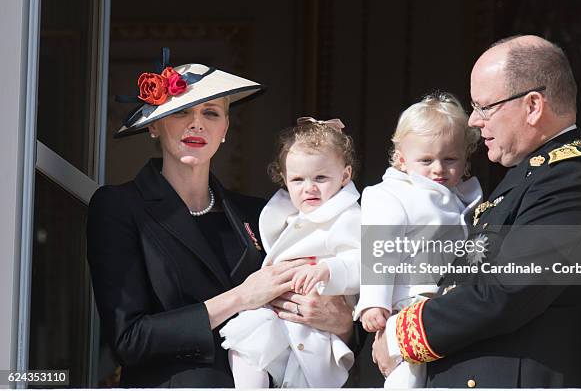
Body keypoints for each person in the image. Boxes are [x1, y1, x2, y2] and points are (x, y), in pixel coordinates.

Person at [86, 53, 355, 387]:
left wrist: (342, 322)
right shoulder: (119, 206)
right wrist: (241, 298)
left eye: (210, 113)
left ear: (225, 129)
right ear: (154, 124)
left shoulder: (264, 214)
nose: (196, 123)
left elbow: (334, 273)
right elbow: (130, 340)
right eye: (181, 111)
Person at [372, 35, 581, 388]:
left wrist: (399, 334)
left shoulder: (571, 182)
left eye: (485, 107)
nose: (473, 121)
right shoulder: (530, 176)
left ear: (532, 106)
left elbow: (505, 292)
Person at [220, 117, 361, 388]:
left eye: (321, 178)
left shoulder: (349, 217)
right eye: (298, 179)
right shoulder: (283, 214)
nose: (309, 187)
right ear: (284, 179)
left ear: (344, 176)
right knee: (245, 345)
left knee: (301, 374)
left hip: (316, 324)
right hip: (274, 312)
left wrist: (328, 269)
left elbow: (364, 262)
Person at [355, 92, 482, 388]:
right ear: (401, 159)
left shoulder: (466, 198)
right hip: (409, 304)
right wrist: (374, 302)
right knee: (406, 376)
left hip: (450, 309)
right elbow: (378, 249)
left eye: (450, 159)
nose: (438, 169)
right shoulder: (391, 194)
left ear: (465, 160)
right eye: (426, 160)